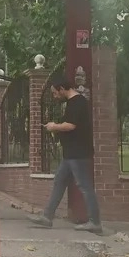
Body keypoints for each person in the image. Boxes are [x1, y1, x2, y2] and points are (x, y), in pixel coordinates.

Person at [27, 75, 102, 233]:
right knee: (59, 181)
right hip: (70, 154)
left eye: (55, 93)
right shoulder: (72, 102)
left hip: (79, 153)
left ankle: (95, 222)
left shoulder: (77, 102)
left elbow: (71, 125)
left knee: (85, 186)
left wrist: (54, 126)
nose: (55, 96)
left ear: (62, 89)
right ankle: (47, 217)